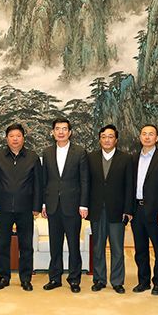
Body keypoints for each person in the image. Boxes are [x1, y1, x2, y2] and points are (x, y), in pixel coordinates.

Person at [0, 123, 42, 291]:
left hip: (26, 208)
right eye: (11, 136)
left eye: (18, 136)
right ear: (6, 138)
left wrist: (36, 206)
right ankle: (3, 277)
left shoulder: (32, 157)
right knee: (2, 245)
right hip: (3, 208)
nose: (15, 139)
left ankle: (25, 278)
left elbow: (38, 184)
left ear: (23, 138)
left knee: (26, 246)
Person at [42, 118, 90, 293]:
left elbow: (84, 180)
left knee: (73, 245)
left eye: (64, 129)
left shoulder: (80, 152)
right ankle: (55, 278)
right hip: (53, 205)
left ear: (70, 132)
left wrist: (83, 204)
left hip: (73, 206)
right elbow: (45, 180)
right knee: (55, 245)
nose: (61, 132)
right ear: (53, 132)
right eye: (57, 129)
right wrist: (44, 203)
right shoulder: (47, 152)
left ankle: (74, 279)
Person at [87, 125, 133, 294]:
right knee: (98, 247)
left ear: (116, 140)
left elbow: (130, 186)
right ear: (100, 139)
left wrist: (128, 209)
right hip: (96, 209)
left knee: (117, 248)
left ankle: (117, 281)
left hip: (117, 210)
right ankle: (99, 279)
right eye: (104, 137)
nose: (107, 140)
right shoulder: (91, 157)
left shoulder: (126, 158)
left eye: (110, 136)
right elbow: (86, 184)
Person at [131, 124, 158, 296]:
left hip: (156, 212)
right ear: (140, 137)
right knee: (140, 249)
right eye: (144, 134)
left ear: (157, 138)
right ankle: (143, 281)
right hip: (137, 210)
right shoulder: (134, 158)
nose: (147, 137)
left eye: (151, 134)